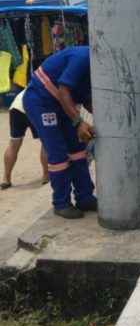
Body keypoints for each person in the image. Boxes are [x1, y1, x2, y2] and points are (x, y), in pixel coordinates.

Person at [23, 46, 97, 220]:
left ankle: (85, 197)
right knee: (58, 154)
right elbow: (64, 91)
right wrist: (79, 122)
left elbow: (85, 97)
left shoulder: (98, 66)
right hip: (41, 102)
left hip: (63, 104)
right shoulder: (83, 58)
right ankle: (61, 203)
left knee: (78, 150)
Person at [1, 88, 48, 190]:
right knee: (46, 141)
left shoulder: (38, 79)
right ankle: (46, 176)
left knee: (14, 143)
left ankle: (6, 179)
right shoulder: (56, 80)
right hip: (34, 106)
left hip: (16, 107)